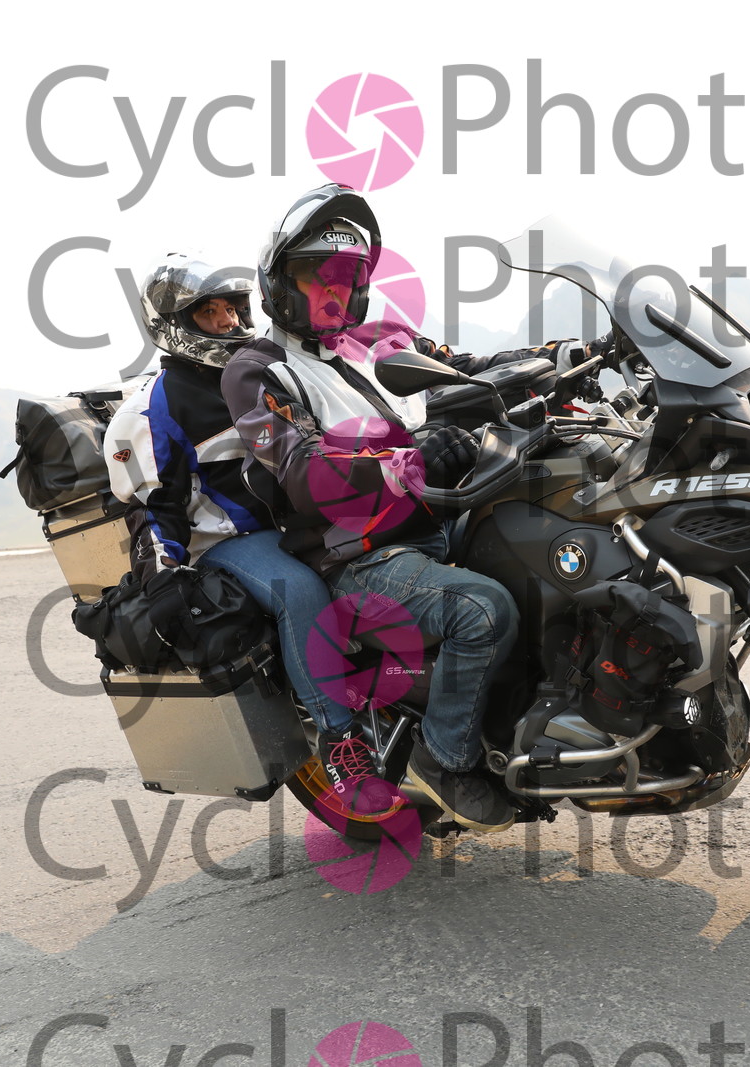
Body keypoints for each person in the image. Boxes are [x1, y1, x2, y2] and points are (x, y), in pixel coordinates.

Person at [223, 185, 545, 833]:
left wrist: (568, 356)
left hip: (440, 518)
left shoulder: (378, 339)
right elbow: (302, 471)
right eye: (317, 275)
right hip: (359, 558)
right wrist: (411, 460)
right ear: (279, 282)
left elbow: (467, 366)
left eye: (347, 276)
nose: (334, 290)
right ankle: (446, 758)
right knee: (483, 610)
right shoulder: (256, 372)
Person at [106, 252, 401, 819]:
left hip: (298, 520)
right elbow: (154, 509)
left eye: (234, 308)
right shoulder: (152, 408)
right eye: (208, 313)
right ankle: (340, 743)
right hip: (228, 541)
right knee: (299, 591)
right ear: (173, 324)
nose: (228, 322)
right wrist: (164, 580)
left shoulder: (265, 368)